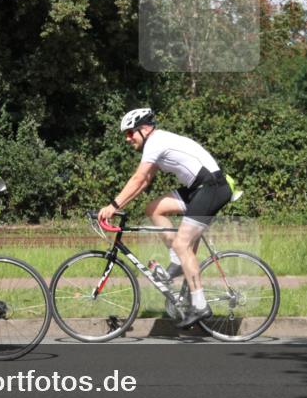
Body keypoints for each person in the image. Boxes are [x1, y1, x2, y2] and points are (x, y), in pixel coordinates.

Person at [98, 108, 232, 328]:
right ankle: (178, 261)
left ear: (144, 129)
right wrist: (119, 205)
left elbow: (138, 178)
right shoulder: (155, 143)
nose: (127, 139)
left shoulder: (155, 142)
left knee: (182, 244)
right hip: (198, 189)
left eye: (130, 133)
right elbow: (144, 181)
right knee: (153, 209)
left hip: (212, 187)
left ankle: (200, 305)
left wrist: (112, 206)